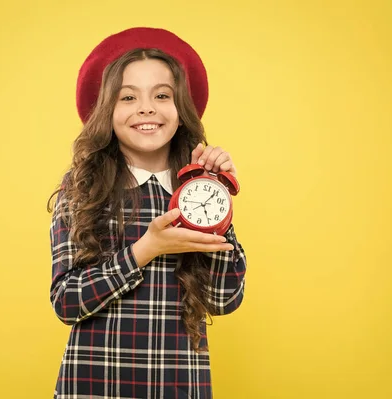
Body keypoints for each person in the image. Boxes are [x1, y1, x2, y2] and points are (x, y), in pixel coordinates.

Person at [47, 27, 247, 399]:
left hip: (179, 387)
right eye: (128, 97)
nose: (147, 108)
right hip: (93, 387)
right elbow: (66, 301)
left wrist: (217, 197)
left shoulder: (197, 192)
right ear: (107, 110)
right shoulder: (83, 190)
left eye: (161, 95)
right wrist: (145, 249)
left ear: (180, 108)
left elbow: (224, 299)